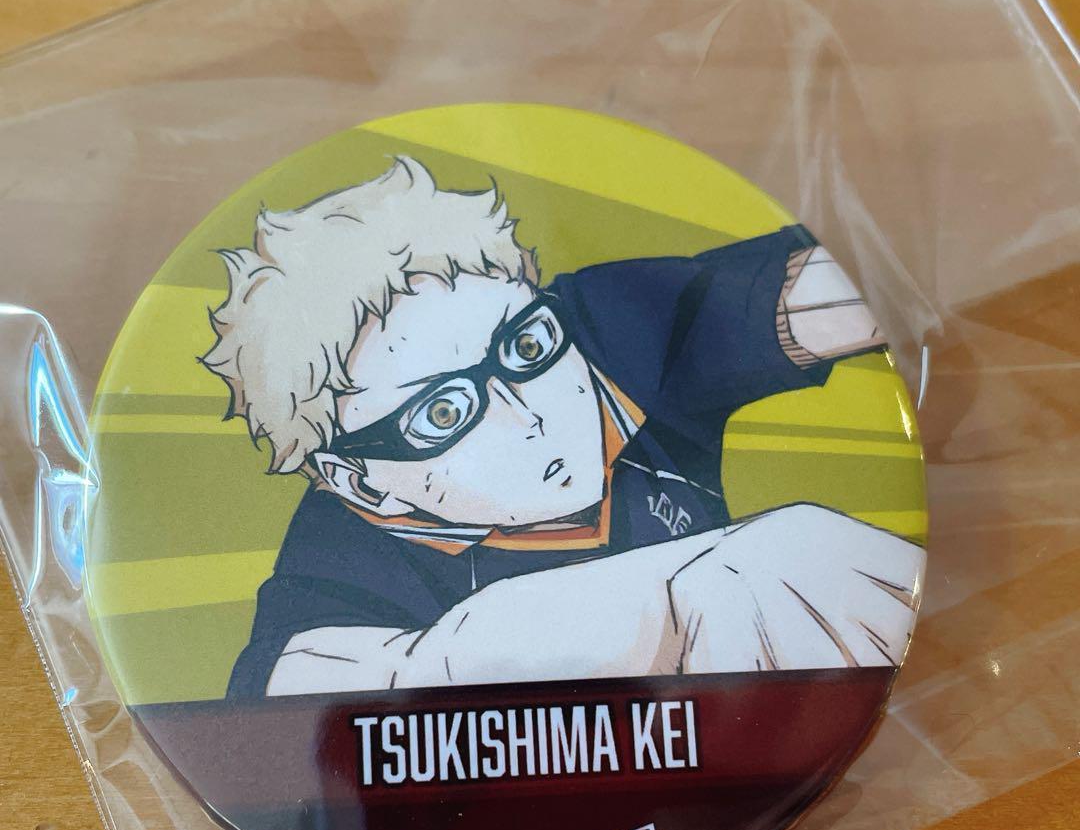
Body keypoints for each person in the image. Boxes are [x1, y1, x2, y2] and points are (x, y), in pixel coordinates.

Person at [199, 157, 923, 698]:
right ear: (360, 481)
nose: (530, 413)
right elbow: (294, 705)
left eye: (521, 347)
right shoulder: (344, 548)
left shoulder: (596, 333)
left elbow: (837, 285)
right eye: (442, 413)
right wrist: (671, 605)